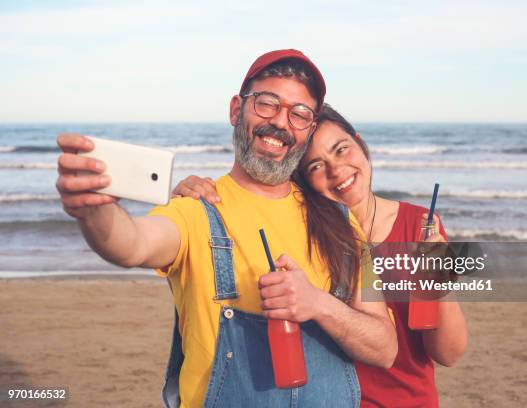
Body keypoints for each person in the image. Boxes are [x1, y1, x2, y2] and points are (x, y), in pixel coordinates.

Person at [54, 50, 397, 408]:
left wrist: (320, 305)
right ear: (237, 110)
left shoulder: (344, 223)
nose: (281, 122)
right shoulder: (195, 211)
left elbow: (385, 347)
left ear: (309, 130)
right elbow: (131, 245)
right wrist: (95, 209)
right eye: (267, 103)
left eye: (299, 114)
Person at [174, 103, 468, 407]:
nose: (336, 169)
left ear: (361, 143)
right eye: (315, 166)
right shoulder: (300, 233)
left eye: (342, 150)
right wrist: (197, 197)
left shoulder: (419, 226)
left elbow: (448, 353)